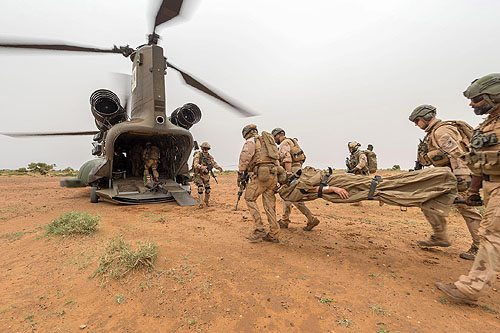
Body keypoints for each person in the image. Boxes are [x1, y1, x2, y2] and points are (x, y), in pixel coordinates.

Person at [436, 73, 500, 303]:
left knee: (492, 235)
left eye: (477, 99)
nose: (471, 104)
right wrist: (473, 190)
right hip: (491, 184)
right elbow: (480, 160)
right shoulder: (489, 124)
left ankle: (471, 288)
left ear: (494, 95)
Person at [409, 104, 481, 260]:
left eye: (417, 120)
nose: (416, 124)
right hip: (447, 177)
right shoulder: (434, 132)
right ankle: (440, 236)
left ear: (426, 118)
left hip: (458, 176)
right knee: (427, 201)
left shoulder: (442, 131)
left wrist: (462, 180)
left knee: (467, 210)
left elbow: (457, 155)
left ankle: (480, 246)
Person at [238, 124, 280, 243]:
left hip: (261, 176)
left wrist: (241, 171)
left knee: (249, 198)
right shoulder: (268, 143)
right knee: (269, 206)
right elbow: (276, 159)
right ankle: (274, 233)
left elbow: (245, 157)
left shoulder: (251, 141)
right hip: (273, 175)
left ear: (246, 134)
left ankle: (259, 227)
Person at [272, 127, 320, 231]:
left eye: (274, 137)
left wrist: (289, 174)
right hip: (298, 169)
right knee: (294, 197)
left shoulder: (284, 143)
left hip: (291, 171)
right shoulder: (293, 142)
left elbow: (287, 159)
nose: (274, 140)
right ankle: (308, 219)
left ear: (278, 135)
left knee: (289, 195)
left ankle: (287, 221)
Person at [192, 142, 223, 207]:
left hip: (206, 175)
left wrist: (218, 167)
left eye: (207, 149)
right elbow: (195, 164)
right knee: (200, 188)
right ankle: (201, 203)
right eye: (204, 149)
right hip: (198, 174)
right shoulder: (198, 155)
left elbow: (214, 163)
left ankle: (206, 202)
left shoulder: (209, 156)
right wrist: (201, 167)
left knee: (208, 189)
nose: (205, 151)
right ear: (202, 149)